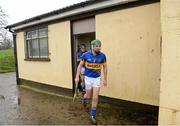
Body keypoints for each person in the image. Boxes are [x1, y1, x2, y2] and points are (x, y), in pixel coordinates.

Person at [75, 39, 108, 123]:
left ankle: (92, 115)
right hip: (88, 78)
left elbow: (105, 67)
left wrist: (105, 79)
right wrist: (77, 77)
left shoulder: (103, 56)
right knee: (88, 95)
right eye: (96, 46)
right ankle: (84, 99)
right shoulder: (85, 55)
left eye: (99, 46)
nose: (98, 47)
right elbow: (80, 66)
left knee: (95, 97)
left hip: (97, 78)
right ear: (92, 47)